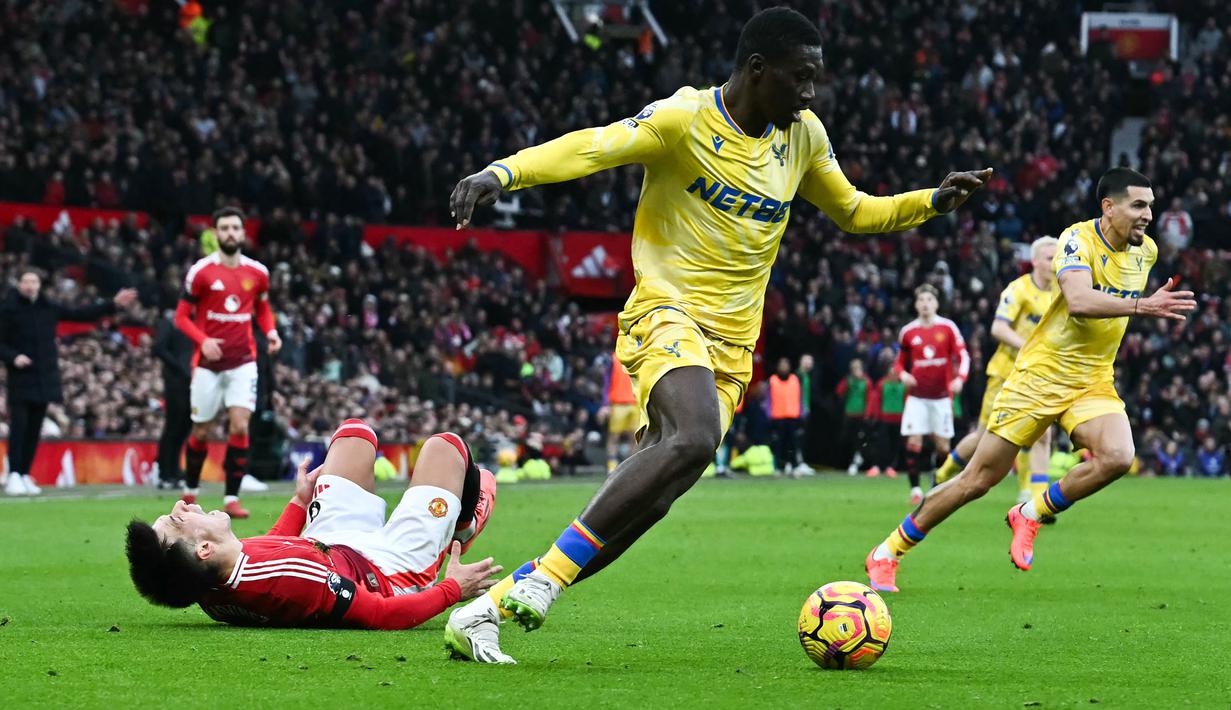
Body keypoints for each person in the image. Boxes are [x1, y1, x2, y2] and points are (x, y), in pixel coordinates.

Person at [445, 6, 991, 662]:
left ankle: (491, 607)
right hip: (666, 312)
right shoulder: (682, 121)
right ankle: (545, 583)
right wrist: (500, 173)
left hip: (734, 345)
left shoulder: (803, 138)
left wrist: (930, 200)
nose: (810, 92)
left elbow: (852, 211)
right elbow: (591, 146)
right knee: (694, 435)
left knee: (655, 495)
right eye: (800, 77)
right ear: (757, 71)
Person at [865, 168, 1196, 593]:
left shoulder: (1145, 252)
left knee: (1117, 456)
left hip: (1092, 381)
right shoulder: (1077, 238)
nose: (1149, 214)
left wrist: (1142, 307)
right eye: (1138, 205)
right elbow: (1077, 300)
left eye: (1151, 205)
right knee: (977, 481)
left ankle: (1031, 511)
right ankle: (887, 552)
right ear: (1108, 207)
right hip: (1038, 377)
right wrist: (1141, 306)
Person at [125, 419, 501, 629]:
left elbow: (268, 552)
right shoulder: (295, 579)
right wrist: (453, 588)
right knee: (445, 446)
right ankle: (462, 527)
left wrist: (298, 501)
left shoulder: (207, 582)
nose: (182, 504)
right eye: (177, 518)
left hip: (327, 547)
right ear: (203, 548)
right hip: (386, 571)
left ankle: (447, 520)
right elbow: (382, 615)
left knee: (354, 435)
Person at [935, 237, 1059, 507]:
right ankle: (944, 472)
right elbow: (998, 329)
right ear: (1035, 261)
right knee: (983, 437)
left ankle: (1036, 500)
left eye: (1057, 257)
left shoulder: (1061, 291)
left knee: (1041, 434)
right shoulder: (1019, 290)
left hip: (1037, 374)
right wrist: (1030, 347)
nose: (1055, 263)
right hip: (1005, 372)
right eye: (1050, 258)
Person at [174, 207, 281, 518]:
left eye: (236, 228)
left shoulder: (257, 273)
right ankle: (190, 495)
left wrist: (271, 332)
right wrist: (203, 340)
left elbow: (262, 309)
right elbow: (181, 317)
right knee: (201, 431)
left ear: (243, 233)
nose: (231, 233)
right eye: (225, 228)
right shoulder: (201, 272)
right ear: (216, 233)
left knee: (239, 424)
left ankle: (231, 499)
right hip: (207, 365)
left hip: (243, 362)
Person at [0, 269, 137, 496]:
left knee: (34, 429)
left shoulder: (47, 308)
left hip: (44, 378)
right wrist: (13, 357)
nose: (30, 285)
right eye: (26, 281)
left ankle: (24, 473)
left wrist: (112, 304)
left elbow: (80, 313)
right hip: (21, 377)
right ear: (19, 284)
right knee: (19, 428)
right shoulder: (8, 310)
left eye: (34, 281)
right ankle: (13, 473)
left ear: (39, 284)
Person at [894, 284, 969, 505]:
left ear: (936, 303)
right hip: (916, 397)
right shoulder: (908, 332)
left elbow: (963, 356)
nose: (925, 304)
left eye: (929, 299)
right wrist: (903, 375)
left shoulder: (948, 328)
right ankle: (915, 490)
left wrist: (960, 379)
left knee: (943, 446)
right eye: (921, 300)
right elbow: (899, 363)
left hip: (942, 397)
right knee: (914, 441)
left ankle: (937, 487)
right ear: (916, 304)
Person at [152, 309, 195, 490]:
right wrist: (180, 367)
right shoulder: (170, 321)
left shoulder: (196, 322)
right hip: (176, 381)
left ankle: (174, 470)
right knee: (173, 426)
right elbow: (159, 348)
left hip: (192, 381)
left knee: (184, 427)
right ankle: (164, 471)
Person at [768, 357, 804, 475]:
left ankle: (793, 466)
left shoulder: (795, 379)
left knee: (793, 444)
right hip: (777, 418)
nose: (783, 367)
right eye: (781, 365)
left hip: (793, 417)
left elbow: (800, 398)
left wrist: (802, 414)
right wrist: (768, 415)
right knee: (778, 444)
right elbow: (767, 400)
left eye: (785, 365)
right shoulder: (772, 380)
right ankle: (777, 467)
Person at [603, 355, 638, 474]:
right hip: (618, 403)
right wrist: (605, 403)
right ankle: (611, 465)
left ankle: (631, 466)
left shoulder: (640, 354)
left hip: (636, 402)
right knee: (614, 436)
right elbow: (607, 381)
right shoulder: (613, 359)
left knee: (634, 437)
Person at [835, 358, 871, 475]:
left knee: (859, 439)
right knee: (847, 439)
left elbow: (869, 399)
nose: (856, 372)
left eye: (858, 369)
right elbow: (839, 391)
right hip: (849, 414)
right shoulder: (848, 381)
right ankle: (850, 461)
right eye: (854, 369)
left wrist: (868, 414)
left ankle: (856, 461)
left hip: (861, 415)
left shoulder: (866, 382)